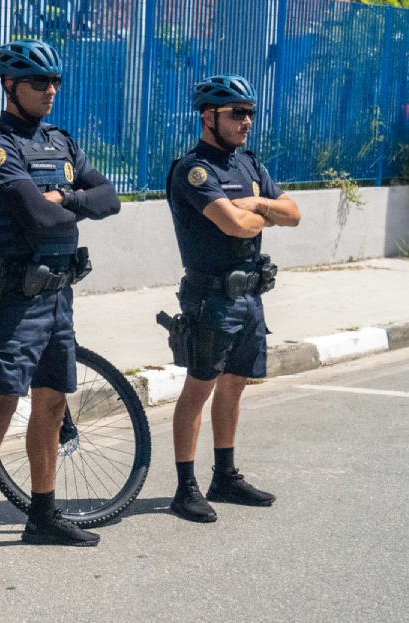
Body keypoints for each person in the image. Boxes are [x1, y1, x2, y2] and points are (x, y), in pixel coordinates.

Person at [0, 39, 121, 581]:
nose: (49, 91)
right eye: (37, 82)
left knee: (51, 405)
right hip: (13, 300)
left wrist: (64, 200)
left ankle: (43, 513)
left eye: (54, 82)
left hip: (58, 297)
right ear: (8, 86)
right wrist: (68, 205)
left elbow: (109, 198)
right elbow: (34, 219)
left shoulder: (59, 141)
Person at [163, 75, 300, 523]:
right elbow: (233, 225)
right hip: (211, 297)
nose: (246, 122)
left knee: (235, 384)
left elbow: (293, 214)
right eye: (236, 113)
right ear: (208, 117)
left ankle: (224, 475)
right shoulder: (194, 169)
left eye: (249, 113)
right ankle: (186, 487)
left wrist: (255, 205)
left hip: (250, 295)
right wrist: (259, 210)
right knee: (198, 388)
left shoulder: (248, 165)